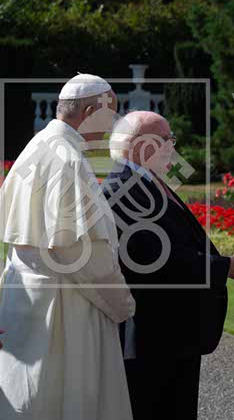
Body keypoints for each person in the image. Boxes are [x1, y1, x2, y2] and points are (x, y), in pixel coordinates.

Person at [102, 111, 234, 420]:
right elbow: (156, 257)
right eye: (166, 139)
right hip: (151, 338)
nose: (173, 146)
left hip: (173, 335)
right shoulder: (121, 188)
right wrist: (229, 267)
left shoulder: (148, 181)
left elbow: (186, 244)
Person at [0, 74, 135, 420]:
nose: (113, 127)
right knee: (66, 400)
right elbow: (81, 252)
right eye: (110, 115)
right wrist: (121, 303)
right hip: (66, 306)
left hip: (26, 298)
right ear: (89, 112)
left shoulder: (38, 145)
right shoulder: (68, 159)